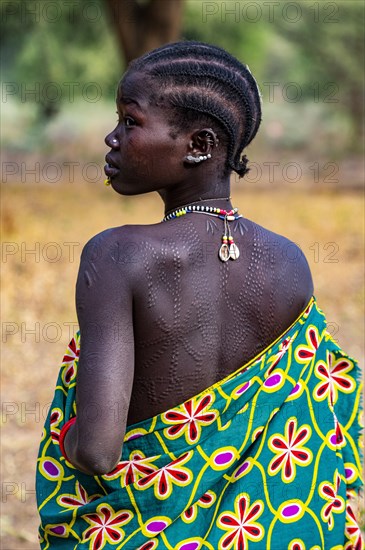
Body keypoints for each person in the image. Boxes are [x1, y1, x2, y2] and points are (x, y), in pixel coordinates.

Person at [36, 41, 363, 549]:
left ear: (199, 145)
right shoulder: (291, 263)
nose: (112, 137)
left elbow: (99, 452)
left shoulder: (117, 256)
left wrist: (65, 433)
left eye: (130, 121)